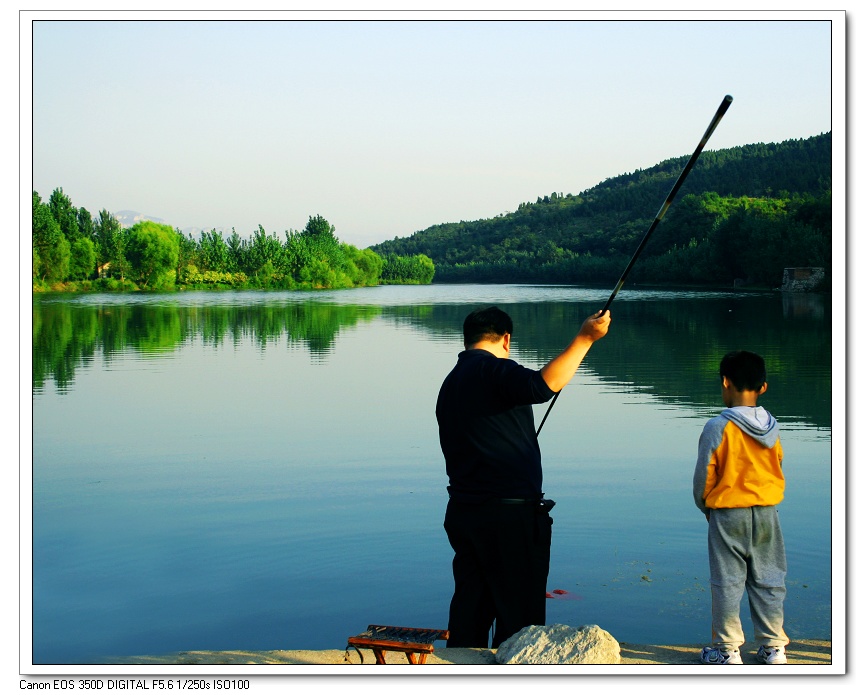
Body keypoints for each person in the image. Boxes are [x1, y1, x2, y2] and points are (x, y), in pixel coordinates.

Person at [436, 305, 610, 648]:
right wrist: (585, 339)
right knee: (520, 619)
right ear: (506, 338)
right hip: (508, 516)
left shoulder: (451, 382)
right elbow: (544, 385)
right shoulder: (495, 369)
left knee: (470, 609)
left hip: (463, 512)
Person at [692, 350, 789, 665]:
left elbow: (705, 474)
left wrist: (707, 506)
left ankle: (727, 650)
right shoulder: (772, 427)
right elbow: (778, 465)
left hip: (728, 513)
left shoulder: (718, 426)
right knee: (770, 578)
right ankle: (774, 648)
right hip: (767, 513)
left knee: (727, 581)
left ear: (725, 383)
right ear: (763, 387)